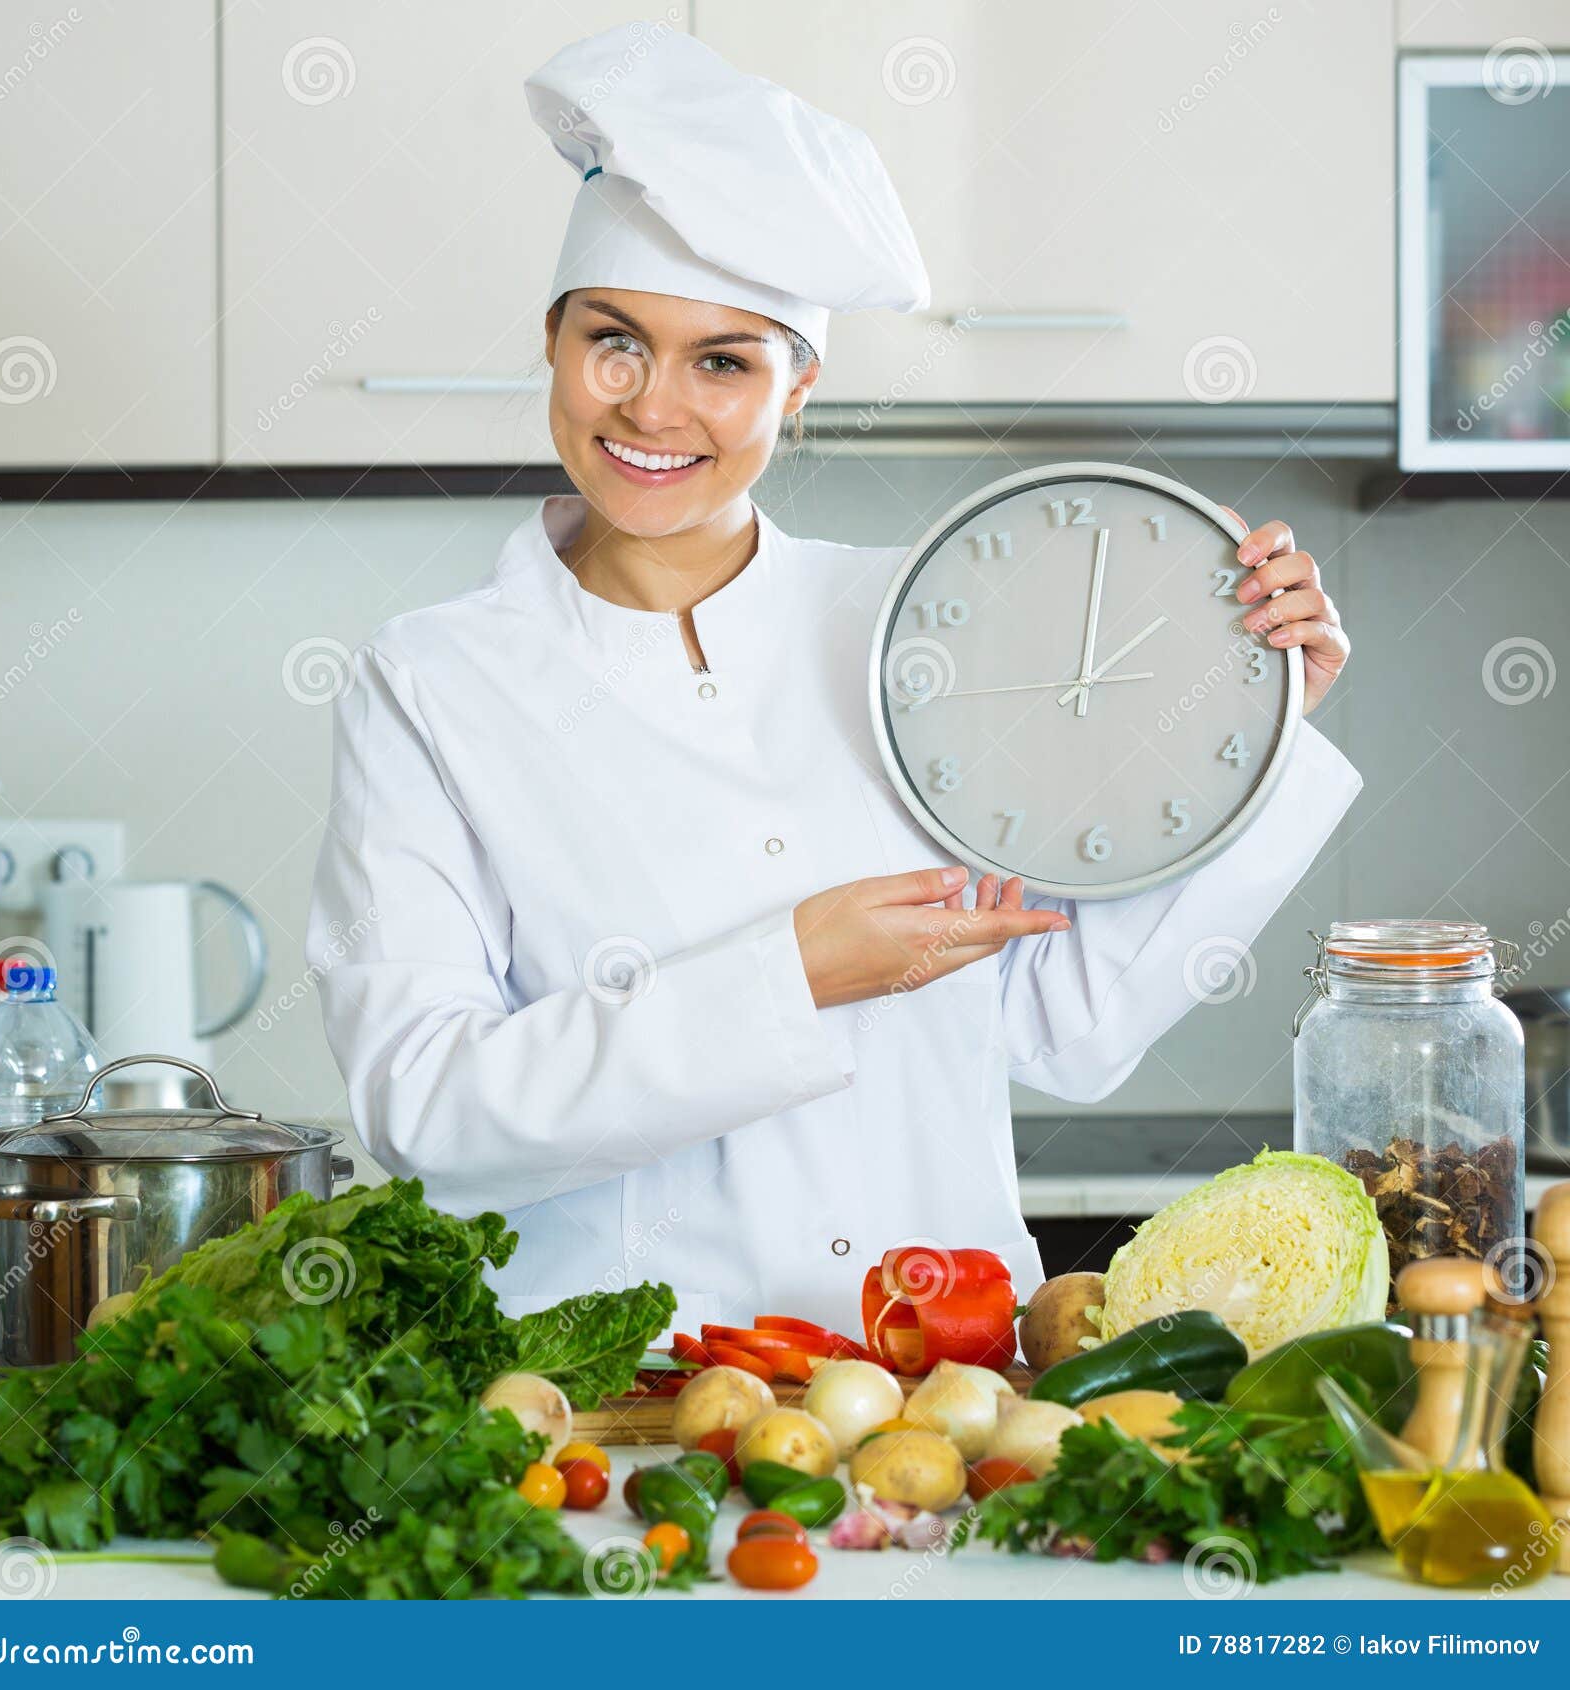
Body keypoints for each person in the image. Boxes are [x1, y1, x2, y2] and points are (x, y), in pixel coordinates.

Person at [307, 21, 1358, 1336]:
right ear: (554, 341)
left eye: (725, 361)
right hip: (615, 1401)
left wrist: (1249, 729)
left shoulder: (927, 623)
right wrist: (790, 976)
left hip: (951, 1376)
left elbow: (1071, 1026)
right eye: (615, 341)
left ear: (798, 386)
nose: (652, 407)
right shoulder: (434, 684)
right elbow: (430, 1111)